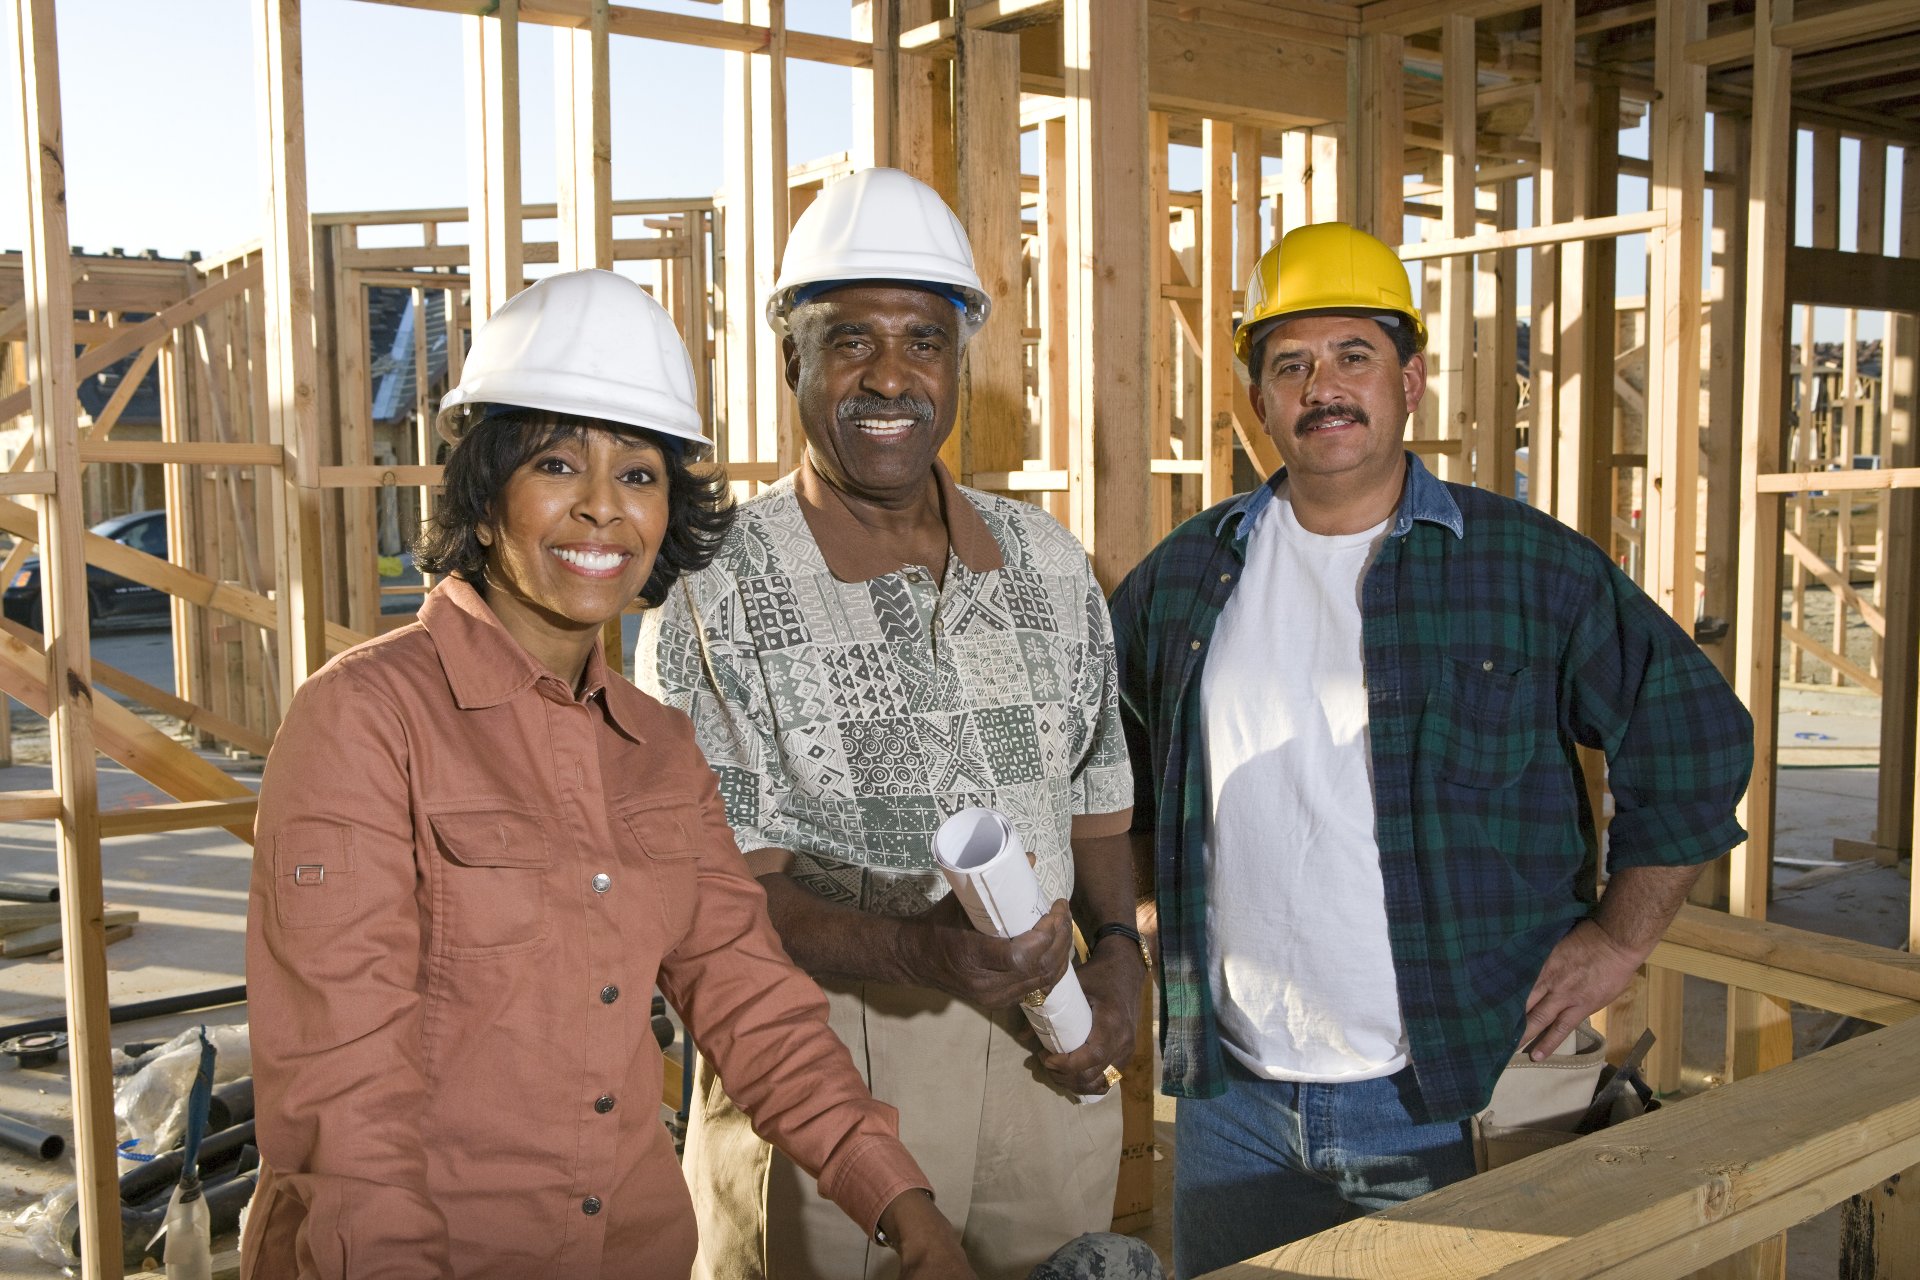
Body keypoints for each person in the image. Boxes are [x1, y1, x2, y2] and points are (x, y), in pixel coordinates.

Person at [244, 269, 975, 1280]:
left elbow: (751, 999)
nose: (601, 509)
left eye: (637, 474)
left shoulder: (658, 749)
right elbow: (342, 1089)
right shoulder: (365, 720)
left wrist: (899, 1198)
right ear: (486, 497)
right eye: (556, 463)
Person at [1108, 222, 1755, 1276]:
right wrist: (1140, 901)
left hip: (1449, 1095)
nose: (1323, 385)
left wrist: (1621, 936)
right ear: (1263, 398)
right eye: (1290, 364)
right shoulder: (1185, 577)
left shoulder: (1523, 565)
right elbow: (1113, 766)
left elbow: (1694, 734)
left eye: (1353, 354)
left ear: (1411, 377)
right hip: (1232, 1099)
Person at [639, 167, 1145, 1280]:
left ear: (959, 363)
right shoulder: (712, 589)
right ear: (792, 363)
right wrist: (922, 947)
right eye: (850, 340)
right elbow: (718, 896)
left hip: (1040, 1057)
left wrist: (1118, 956)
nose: (891, 375)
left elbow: (1097, 804)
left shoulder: (1049, 567)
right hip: (822, 1069)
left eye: (924, 340)